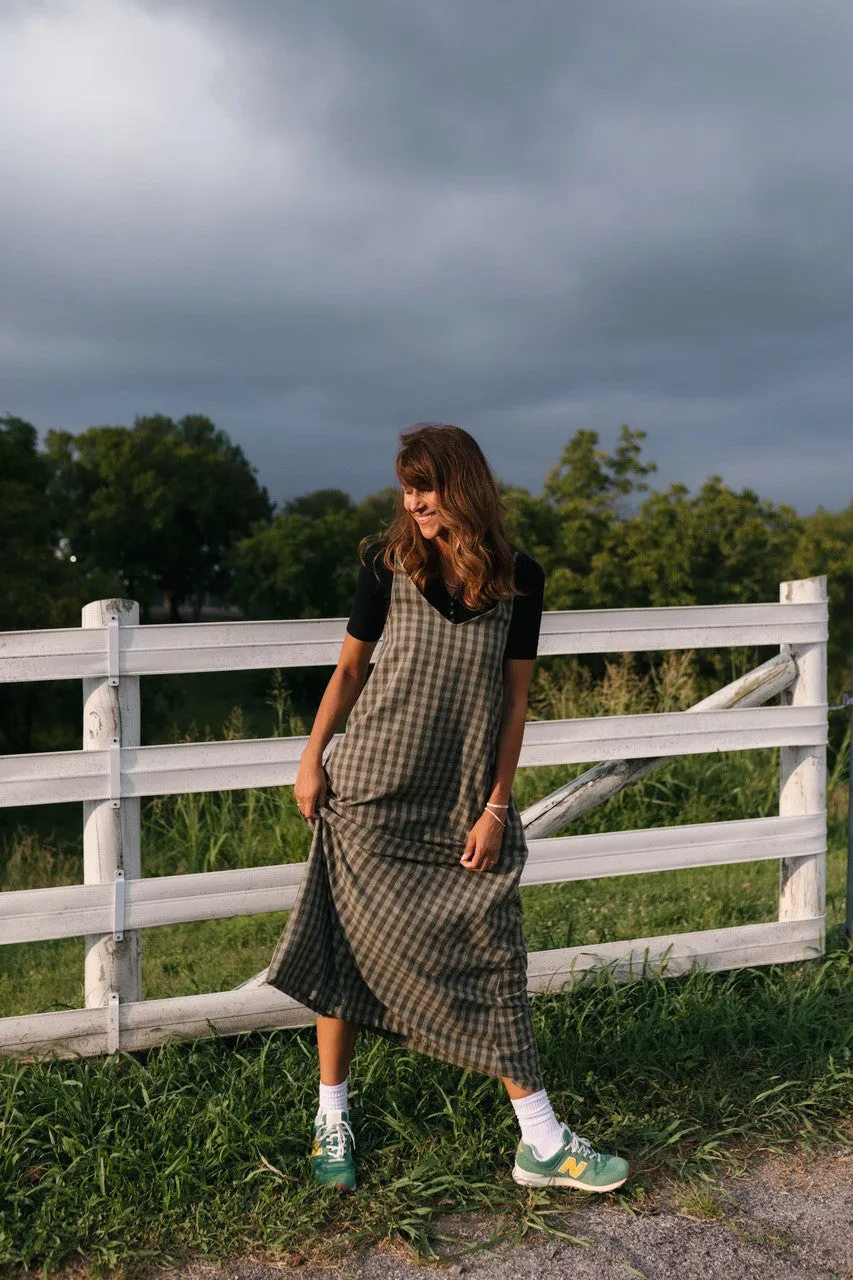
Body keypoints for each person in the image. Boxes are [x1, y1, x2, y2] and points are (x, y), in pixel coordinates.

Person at [264, 423, 629, 1195]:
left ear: (461, 486)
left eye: (425, 488)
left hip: (459, 807)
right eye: (406, 489)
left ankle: (540, 1144)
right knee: (343, 955)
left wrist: (496, 806)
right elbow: (351, 667)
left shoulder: (519, 579)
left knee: (492, 958)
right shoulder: (385, 563)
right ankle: (332, 1118)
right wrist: (310, 757)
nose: (413, 504)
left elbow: (515, 703)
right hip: (366, 795)